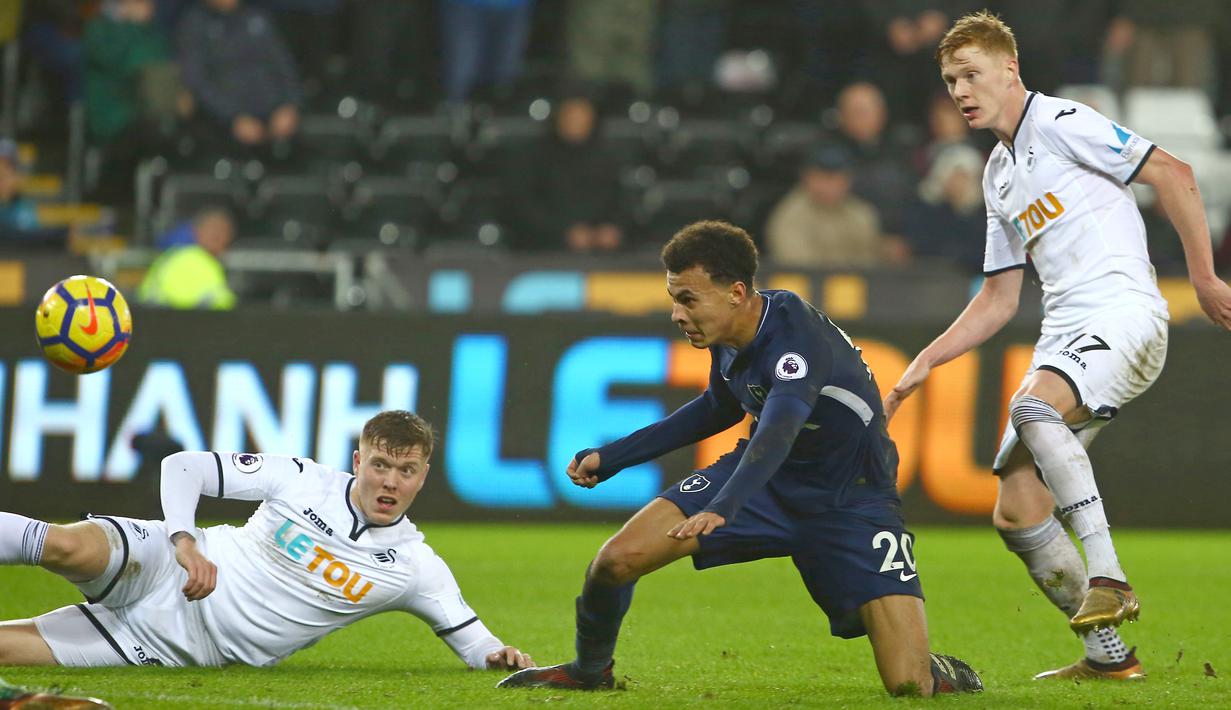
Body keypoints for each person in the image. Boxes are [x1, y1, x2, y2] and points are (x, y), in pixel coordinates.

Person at [884, 11, 1231, 682]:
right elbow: (997, 299)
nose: (959, 91)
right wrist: (926, 360)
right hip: (1066, 336)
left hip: (1123, 315)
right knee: (1015, 505)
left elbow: (1174, 171)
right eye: (951, 79)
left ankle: (1110, 578)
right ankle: (1109, 658)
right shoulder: (997, 174)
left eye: (971, 75)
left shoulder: (1061, 122)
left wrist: (1204, 278)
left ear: (1009, 70)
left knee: (1031, 409)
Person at [498, 220, 982, 696]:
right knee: (615, 561)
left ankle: (934, 667)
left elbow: (779, 429)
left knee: (907, 684)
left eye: (687, 299)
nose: (676, 314)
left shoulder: (794, 338)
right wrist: (615, 456)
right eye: (674, 299)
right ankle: (589, 670)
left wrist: (724, 507)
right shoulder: (730, 336)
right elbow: (718, 407)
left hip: (850, 501)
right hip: (764, 482)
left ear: (735, 292)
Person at [0, 410, 534, 672]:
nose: (390, 481)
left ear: (423, 475)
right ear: (358, 462)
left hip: (177, 647)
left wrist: (501, 656)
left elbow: (476, 645)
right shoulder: (302, 479)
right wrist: (184, 542)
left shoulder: (416, 568)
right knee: (66, 545)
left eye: (406, 470)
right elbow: (183, 467)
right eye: (380, 465)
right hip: (168, 564)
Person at [764, 142, 891, 269]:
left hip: (854, 286)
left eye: (837, 178)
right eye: (823, 178)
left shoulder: (861, 213)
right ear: (806, 177)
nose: (830, 186)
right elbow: (799, 267)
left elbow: (870, 265)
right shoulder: (790, 216)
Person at [138, 207, 238, 309]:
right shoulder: (202, 264)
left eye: (224, 232)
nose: (220, 237)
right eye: (214, 231)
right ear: (197, 231)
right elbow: (224, 305)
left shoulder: (169, 256)